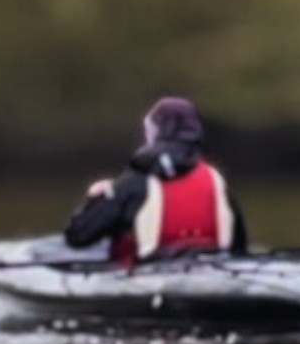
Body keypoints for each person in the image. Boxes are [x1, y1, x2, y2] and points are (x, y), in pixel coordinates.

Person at [65, 96, 248, 264]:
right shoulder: (216, 180)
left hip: (150, 279)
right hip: (216, 276)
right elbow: (239, 245)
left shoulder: (136, 182)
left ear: (157, 133)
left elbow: (78, 236)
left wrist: (95, 198)